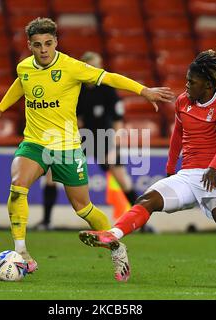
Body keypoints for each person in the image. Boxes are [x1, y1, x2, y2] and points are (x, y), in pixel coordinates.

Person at [0, 18, 174, 282]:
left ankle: (117, 247)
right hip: (35, 142)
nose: (43, 50)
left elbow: (110, 77)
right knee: (17, 186)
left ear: (56, 42)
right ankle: (22, 252)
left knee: (83, 208)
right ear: (30, 46)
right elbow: (20, 84)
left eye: (48, 43)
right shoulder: (24, 67)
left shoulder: (72, 67)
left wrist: (144, 90)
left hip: (67, 147)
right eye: (37, 45)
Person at [78, 47, 216, 287]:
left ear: (208, 85)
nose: (187, 85)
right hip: (187, 175)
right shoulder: (183, 102)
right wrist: (171, 167)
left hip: (215, 173)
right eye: (186, 80)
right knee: (147, 199)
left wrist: (213, 167)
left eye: (192, 82)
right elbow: (177, 136)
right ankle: (112, 235)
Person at [34, 51, 155, 233]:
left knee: (122, 179)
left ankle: (143, 224)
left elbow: (117, 120)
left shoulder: (107, 88)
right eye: (91, 66)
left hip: (103, 137)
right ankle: (46, 221)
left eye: (98, 66)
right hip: (77, 137)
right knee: (51, 174)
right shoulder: (75, 87)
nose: (95, 70)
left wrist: (114, 146)